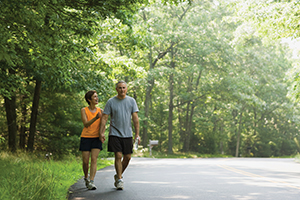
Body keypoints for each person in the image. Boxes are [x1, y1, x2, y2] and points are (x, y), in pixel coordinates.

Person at [99, 80, 140, 190]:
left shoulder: (131, 101)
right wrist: (101, 132)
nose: (122, 90)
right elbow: (104, 118)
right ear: (116, 89)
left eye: (124, 87)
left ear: (126, 89)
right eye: (120, 88)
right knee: (118, 155)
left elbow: (135, 119)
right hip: (115, 133)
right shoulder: (111, 102)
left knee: (127, 157)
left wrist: (137, 134)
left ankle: (118, 175)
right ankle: (120, 180)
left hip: (127, 134)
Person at [79, 90, 103, 190]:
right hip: (86, 137)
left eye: (97, 96)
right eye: (94, 97)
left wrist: (101, 133)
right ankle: (86, 177)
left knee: (94, 160)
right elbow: (86, 124)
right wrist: (96, 118)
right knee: (85, 162)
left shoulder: (100, 111)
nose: (97, 98)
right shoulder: (84, 110)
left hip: (96, 138)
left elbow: (103, 124)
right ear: (89, 99)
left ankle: (92, 181)